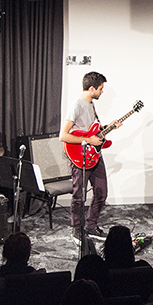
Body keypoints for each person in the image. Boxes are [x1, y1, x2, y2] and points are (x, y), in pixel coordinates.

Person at [59, 71, 121, 246]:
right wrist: (88, 140)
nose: (102, 92)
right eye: (101, 89)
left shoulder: (91, 105)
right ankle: (77, 230)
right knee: (79, 196)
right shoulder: (76, 105)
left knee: (101, 192)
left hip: (94, 155)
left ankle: (91, 226)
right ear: (92, 88)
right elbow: (63, 136)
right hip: (79, 156)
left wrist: (108, 127)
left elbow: (91, 129)